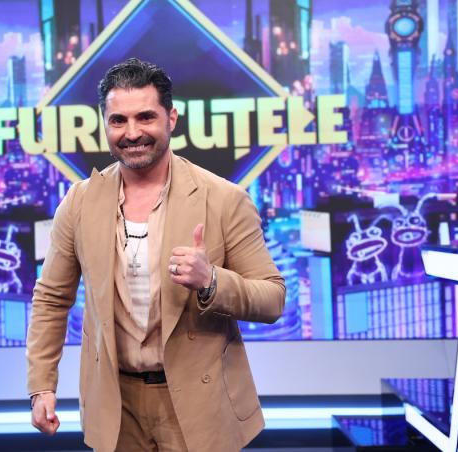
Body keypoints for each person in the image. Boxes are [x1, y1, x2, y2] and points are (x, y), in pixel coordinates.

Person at [26, 58, 286, 452]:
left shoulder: (224, 199)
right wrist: (42, 385)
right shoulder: (79, 203)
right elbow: (51, 298)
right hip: (115, 405)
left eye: (145, 117)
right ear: (105, 124)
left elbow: (272, 298)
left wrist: (211, 281)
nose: (132, 133)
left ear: (171, 118)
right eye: (118, 121)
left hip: (200, 404)